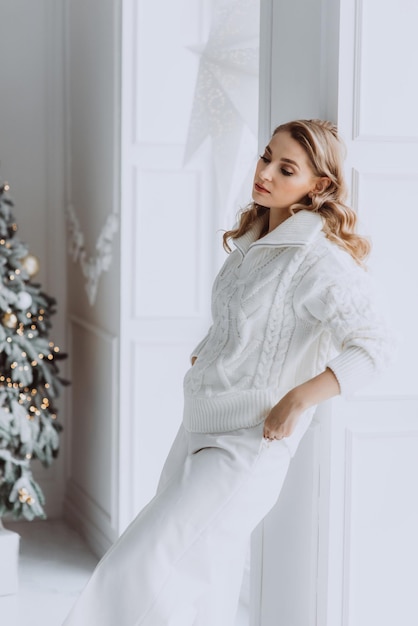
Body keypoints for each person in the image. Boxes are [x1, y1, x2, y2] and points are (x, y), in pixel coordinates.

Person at [63, 119, 391, 626]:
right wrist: (208, 351)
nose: (265, 173)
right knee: (201, 583)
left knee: (141, 568)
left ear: (319, 186)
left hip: (247, 445)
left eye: (287, 168)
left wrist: (299, 398)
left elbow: (376, 348)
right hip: (198, 423)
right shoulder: (256, 240)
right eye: (266, 157)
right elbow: (248, 318)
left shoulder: (318, 258)